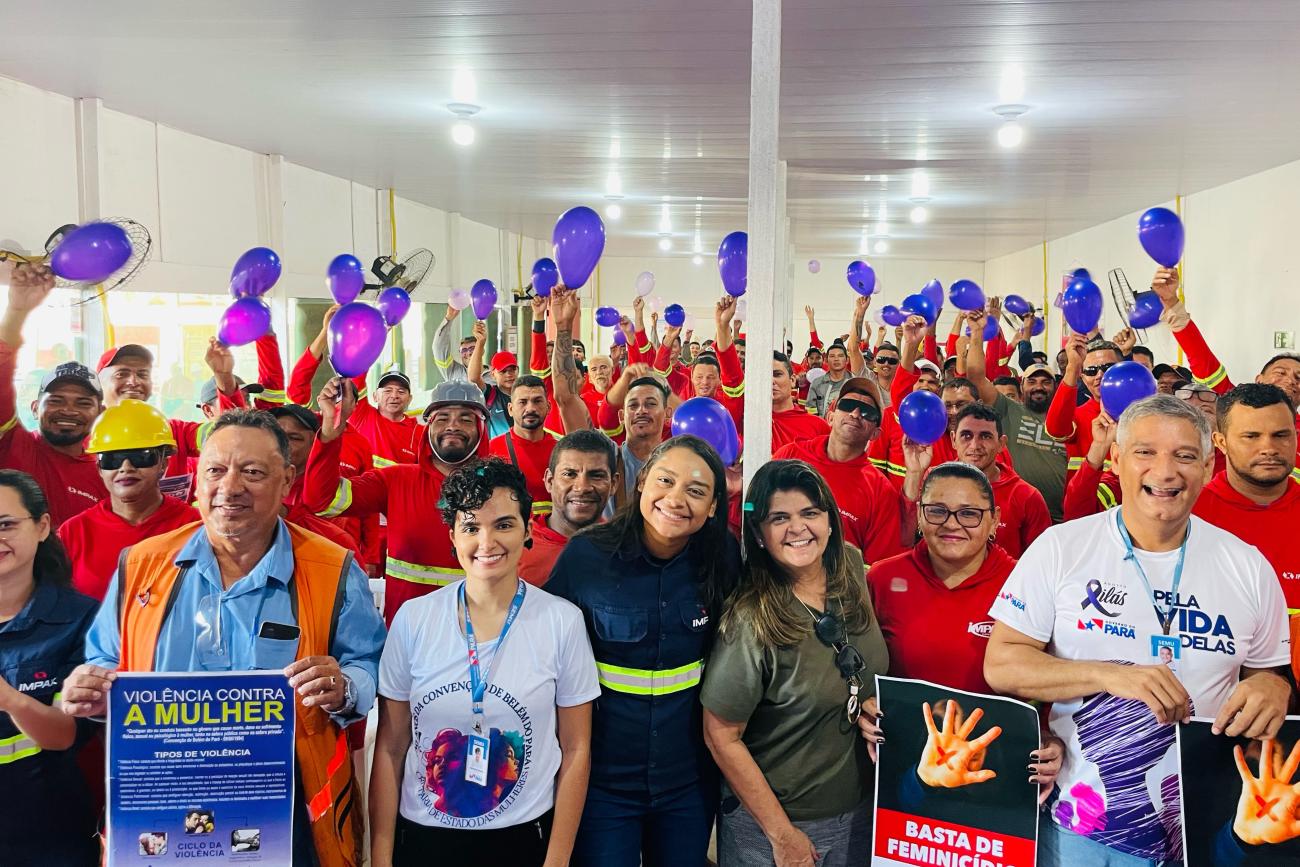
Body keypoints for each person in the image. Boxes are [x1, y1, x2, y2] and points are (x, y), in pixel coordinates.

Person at [63, 409, 387, 867]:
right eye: (215, 470)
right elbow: (105, 660)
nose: (230, 488)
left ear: (287, 480)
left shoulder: (332, 568)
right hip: (161, 811)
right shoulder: (140, 565)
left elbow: (367, 663)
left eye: (252, 472)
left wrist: (345, 686)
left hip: (289, 813)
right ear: (196, 480)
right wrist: (93, 691)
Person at [984, 395, 1292, 865]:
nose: (1165, 472)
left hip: (1211, 823)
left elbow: (1267, 674)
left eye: (1184, 455)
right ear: (1116, 458)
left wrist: (1274, 686)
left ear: (1208, 466)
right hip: (1084, 829)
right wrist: (1110, 675)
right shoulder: (1061, 548)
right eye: (1145, 452)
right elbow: (1002, 663)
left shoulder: (1247, 565)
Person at [370, 459, 598, 866]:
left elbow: (576, 748)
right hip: (424, 839)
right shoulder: (414, 619)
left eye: (504, 525)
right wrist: (382, 855)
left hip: (524, 839)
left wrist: (557, 860)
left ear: (528, 530)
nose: (487, 542)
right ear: (453, 536)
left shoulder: (561, 621)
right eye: (472, 527)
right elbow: (390, 748)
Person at [546, 435, 740, 867]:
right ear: (641, 482)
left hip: (688, 782)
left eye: (695, 490)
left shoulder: (722, 557)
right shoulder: (586, 556)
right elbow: (545, 654)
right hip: (602, 785)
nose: (675, 499)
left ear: (712, 507)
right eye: (665, 481)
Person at [702, 460, 887, 867]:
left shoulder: (851, 570)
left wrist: (866, 706)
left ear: (830, 520)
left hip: (860, 810)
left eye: (810, 513)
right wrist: (782, 835)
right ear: (759, 534)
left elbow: (854, 672)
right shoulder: (751, 619)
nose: (798, 528)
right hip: (779, 825)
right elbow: (720, 736)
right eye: (779, 518)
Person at [304, 378, 491, 622]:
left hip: (479, 632)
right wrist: (330, 432)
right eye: (442, 418)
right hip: (408, 634)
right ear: (428, 427)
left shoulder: (499, 489)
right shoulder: (396, 480)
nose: (452, 426)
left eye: (466, 419)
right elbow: (321, 501)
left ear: (481, 428)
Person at [0, 470, 99, 866]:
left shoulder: (79, 619)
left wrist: (10, 700)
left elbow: (66, 734)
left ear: (42, 527)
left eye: (6, 525)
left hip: (47, 834)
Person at [59, 400, 200, 600]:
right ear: (99, 469)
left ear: (163, 464)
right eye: (112, 459)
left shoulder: (196, 527)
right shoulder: (72, 534)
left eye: (141, 456)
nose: (126, 467)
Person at [0, 264, 106, 527]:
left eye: (83, 402)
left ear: (100, 413)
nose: (68, 410)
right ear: (35, 407)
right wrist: (17, 311)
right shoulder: (13, 445)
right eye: (56, 400)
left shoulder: (109, 474)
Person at [773, 377, 905, 566]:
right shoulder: (790, 455)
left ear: (875, 434)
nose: (855, 413)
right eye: (847, 405)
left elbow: (878, 568)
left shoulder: (881, 492)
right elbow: (758, 512)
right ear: (830, 417)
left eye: (867, 412)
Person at [1192, 384, 1300, 613]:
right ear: (1221, 442)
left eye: (1281, 435)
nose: (1268, 448)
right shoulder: (1186, 515)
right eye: (1251, 436)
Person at [904, 404, 1050, 558]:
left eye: (985, 436)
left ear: (1001, 444)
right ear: (953, 439)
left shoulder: (1027, 497)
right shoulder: (933, 480)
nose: (975, 446)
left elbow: (1041, 562)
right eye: (966, 436)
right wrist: (914, 473)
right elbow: (905, 538)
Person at [519, 430, 617, 586]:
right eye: (569, 474)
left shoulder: (624, 548)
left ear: (614, 484)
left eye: (596, 475)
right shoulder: (515, 547)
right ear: (549, 481)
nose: (582, 487)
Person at [596, 369, 671, 513]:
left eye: (651, 404)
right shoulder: (605, 458)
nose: (641, 411)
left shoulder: (677, 465)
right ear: (621, 416)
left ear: (668, 413)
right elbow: (566, 400)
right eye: (633, 405)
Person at [488, 376, 561, 516]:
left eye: (537, 401)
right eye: (522, 402)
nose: (530, 408)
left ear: (548, 407)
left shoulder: (562, 450)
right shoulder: (491, 450)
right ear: (510, 409)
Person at [468, 322, 522, 440]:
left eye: (513, 369)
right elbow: (473, 378)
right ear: (493, 375)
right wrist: (480, 342)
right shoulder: (491, 394)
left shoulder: (526, 394)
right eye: (503, 371)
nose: (509, 374)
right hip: (498, 450)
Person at [771, 352, 831, 450]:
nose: (771, 381)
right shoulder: (748, 423)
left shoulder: (818, 426)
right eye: (764, 376)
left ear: (792, 380)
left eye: (777, 374)